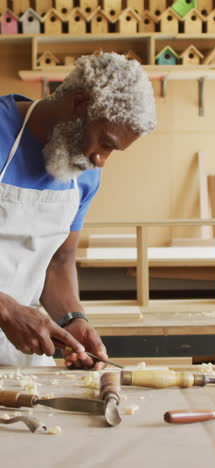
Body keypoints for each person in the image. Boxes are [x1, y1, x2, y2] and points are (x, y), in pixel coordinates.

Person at [0, 52, 156, 368]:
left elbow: (59, 261)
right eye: (106, 143)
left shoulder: (84, 172)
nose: (101, 160)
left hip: (19, 356)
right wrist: (6, 310)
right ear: (80, 104)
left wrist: (73, 320)